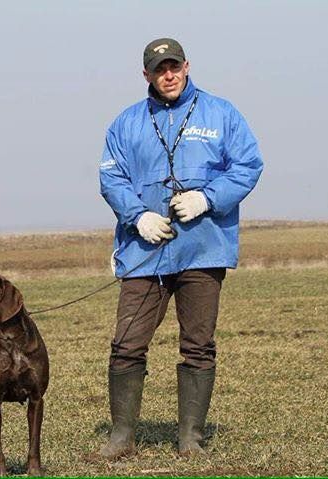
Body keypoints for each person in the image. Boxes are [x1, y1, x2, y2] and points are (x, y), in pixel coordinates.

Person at [96, 37, 263, 459]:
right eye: (158, 68)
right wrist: (139, 217)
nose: (167, 75)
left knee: (198, 344)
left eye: (173, 66)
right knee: (127, 342)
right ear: (146, 74)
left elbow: (248, 165)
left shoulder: (222, 113)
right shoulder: (125, 123)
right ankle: (121, 437)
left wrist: (208, 198)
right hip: (143, 252)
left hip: (203, 249)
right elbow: (111, 179)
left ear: (187, 66)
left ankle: (190, 438)